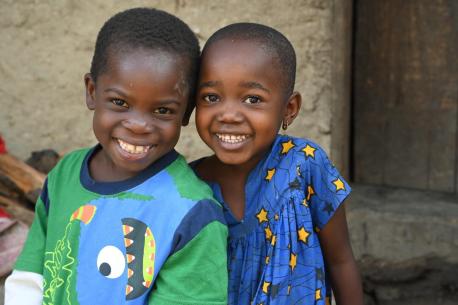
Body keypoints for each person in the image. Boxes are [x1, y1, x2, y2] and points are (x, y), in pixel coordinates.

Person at [5, 8, 228, 305]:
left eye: (163, 110)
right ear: (92, 91)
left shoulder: (190, 211)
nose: (138, 125)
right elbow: (30, 277)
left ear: (186, 112)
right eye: (120, 102)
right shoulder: (65, 174)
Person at [192, 23, 363, 305]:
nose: (229, 115)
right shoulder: (189, 186)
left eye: (252, 99)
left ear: (289, 109)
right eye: (212, 97)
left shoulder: (303, 165)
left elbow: (341, 261)